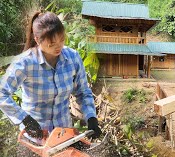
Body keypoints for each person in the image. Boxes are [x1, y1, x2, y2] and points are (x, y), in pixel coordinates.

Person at [0, 12, 101, 141]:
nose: (58, 46)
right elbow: (2, 93)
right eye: (52, 44)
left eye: (62, 40)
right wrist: (24, 119)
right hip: (35, 136)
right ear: (37, 40)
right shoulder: (25, 63)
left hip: (63, 135)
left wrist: (91, 118)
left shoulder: (73, 58)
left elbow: (82, 92)